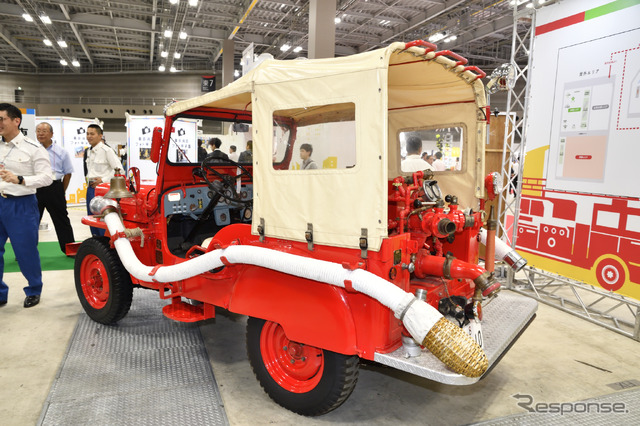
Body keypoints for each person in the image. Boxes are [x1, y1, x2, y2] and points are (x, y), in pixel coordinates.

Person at [0, 103, 53, 308]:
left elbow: (47, 177)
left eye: (2, 119)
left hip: (21, 205)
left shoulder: (33, 148)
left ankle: (33, 289)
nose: (0, 123)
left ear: (16, 121)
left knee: (25, 252)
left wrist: (21, 179)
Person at [35, 122, 76, 254]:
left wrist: (60, 191)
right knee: (31, 220)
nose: (40, 133)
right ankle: (26, 251)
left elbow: (68, 173)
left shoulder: (61, 152)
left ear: (52, 134)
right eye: (38, 131)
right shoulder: (33, 150)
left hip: (54, 187)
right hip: (36, 187)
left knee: (62, 220)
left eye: (44, 131)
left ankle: (69, 249)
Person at [85, 124, 124, 237]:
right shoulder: (89, 151)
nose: (89, 136)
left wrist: (103, 180)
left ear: (100, 135)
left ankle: (105, 246)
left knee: (103, 220)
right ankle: (96, 242)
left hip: (103, 192)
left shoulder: (107, 151)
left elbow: (119, 171)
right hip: (91, 190)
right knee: (92, 219)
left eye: (92, 134)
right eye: (87, 134)